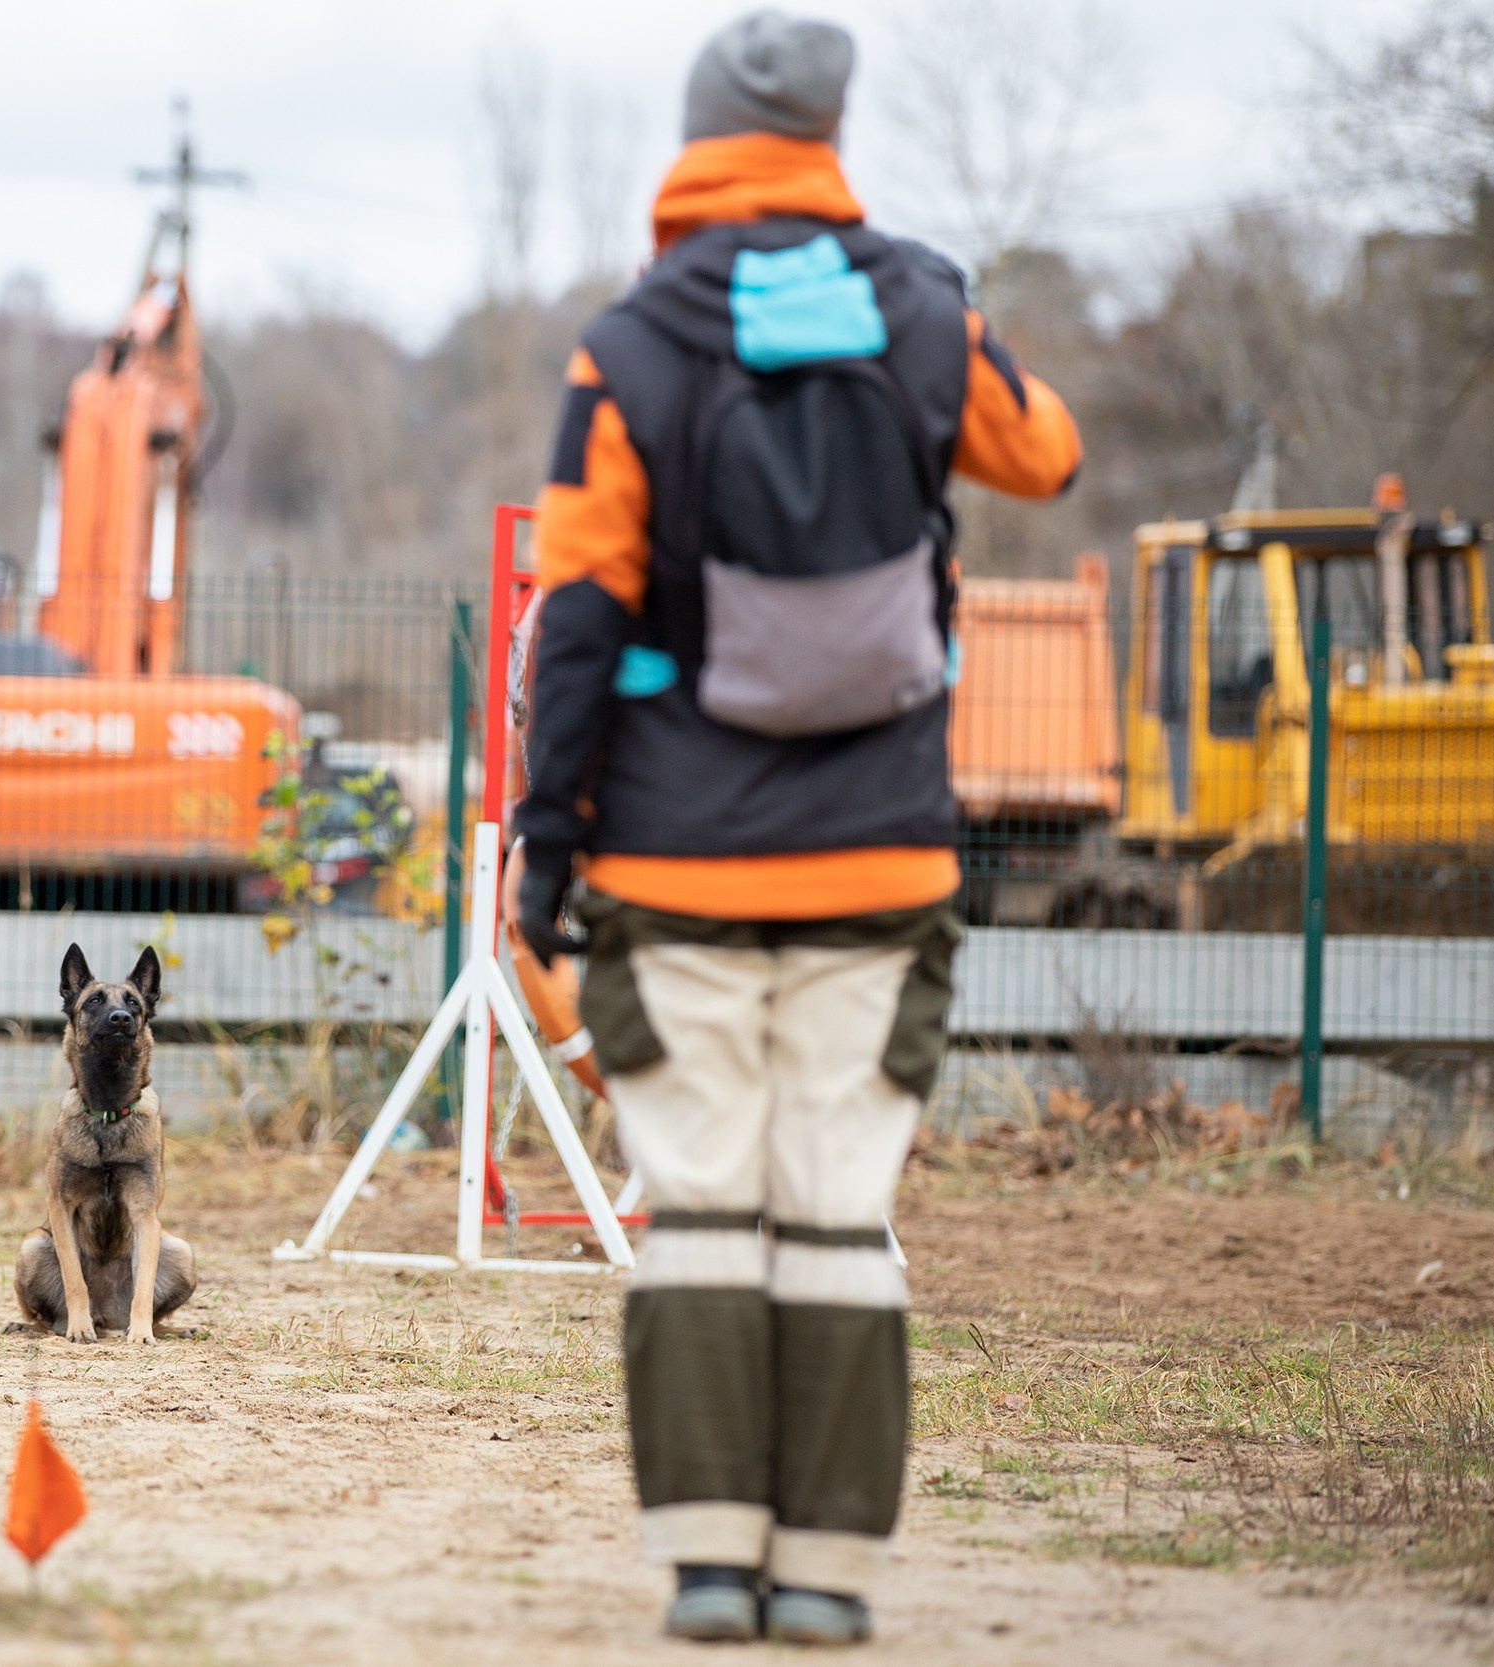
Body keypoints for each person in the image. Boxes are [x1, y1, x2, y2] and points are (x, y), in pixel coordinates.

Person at [509, 8, 1081, 1647]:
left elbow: (576, 613)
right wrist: (955, 307)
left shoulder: (626, 347)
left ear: (695, 135)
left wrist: (551, 850)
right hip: (881, 863)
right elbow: (1047, 453)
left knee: (699, 1206)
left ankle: (706, 1562)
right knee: (837, 1210)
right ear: (833, 127)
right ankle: (827, 1580)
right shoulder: (917, 307)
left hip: (672, 867)